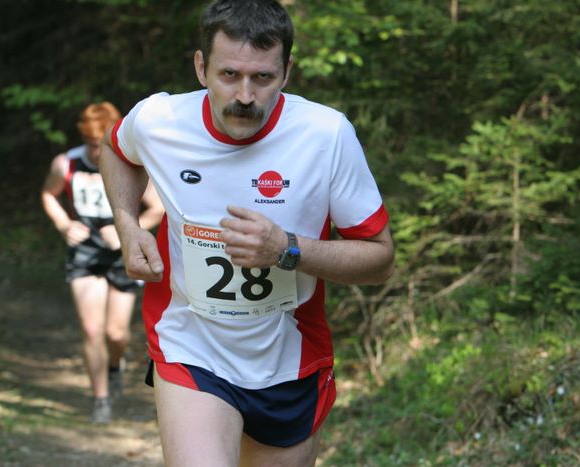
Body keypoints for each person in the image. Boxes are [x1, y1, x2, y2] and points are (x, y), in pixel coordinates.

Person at [99, 0, 394, 464]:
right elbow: (115, 149)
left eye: (262, 77)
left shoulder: (325, 135)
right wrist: (126, 223)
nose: (245, 95)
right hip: (191, 346)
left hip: (289, 358)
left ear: (287, 72)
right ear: (201, 67)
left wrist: (286, 250)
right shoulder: (160, 121)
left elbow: (380, 260)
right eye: (229, 74)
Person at [41, 102, 163, 424]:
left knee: (116, 333)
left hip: (121, 253)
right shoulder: (66, 163)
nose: (96, 152)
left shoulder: (131, 165)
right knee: (91, 328)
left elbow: (158, 208)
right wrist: (64, 224)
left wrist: (127, 229)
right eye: (91, 144)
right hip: (84, 252)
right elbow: (49, 194)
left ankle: (114, 365)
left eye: (100, 143)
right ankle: (100, 398)